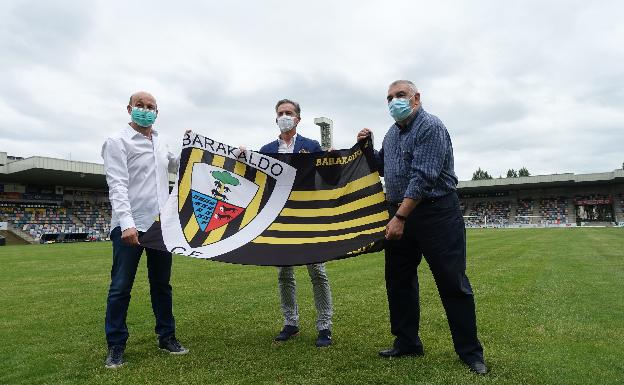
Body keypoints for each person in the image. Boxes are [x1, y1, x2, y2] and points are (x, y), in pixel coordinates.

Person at [357, 80, 488, 374]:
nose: (394, 101)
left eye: (399, 95)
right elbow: (382, 168)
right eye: (389, 97)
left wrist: (400, 217)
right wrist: (367, 148)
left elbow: (423, 177)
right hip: (400, 213)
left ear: (416, 98)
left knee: (452, 281)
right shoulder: (391, 135)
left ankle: (470, 352)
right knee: (399, 280)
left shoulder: (430, 126)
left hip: (435, 213)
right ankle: (407, 342)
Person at [102, 91, 188, 369]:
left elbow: (182, 166)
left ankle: (167, 336)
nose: (145, 110)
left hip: (160, 226)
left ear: (157, 112)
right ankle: (116, 345)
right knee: (120, 287)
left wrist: (196, 147)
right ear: (129, 108)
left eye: (150, 107)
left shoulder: (162, 142)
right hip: (130, 226)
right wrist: (126, 224)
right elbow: (117, 184)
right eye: (140, 106)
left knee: (162, 285)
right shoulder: (117, 141)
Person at [259, 98, 334, 348]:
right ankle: (290, 322)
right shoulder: (266, 149)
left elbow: (329, 175)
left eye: (288, 112)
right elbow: (256, 179)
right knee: (284, 273)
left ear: (298, 118)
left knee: (317, 272)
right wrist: (240, 156)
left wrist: (332, 158)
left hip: (308, 215)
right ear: (275, 118)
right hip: (279, 216)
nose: (284, 116)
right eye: (280, 113)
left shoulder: (311, 146)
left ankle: (325, 326)